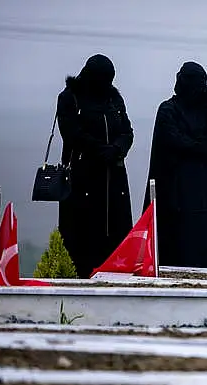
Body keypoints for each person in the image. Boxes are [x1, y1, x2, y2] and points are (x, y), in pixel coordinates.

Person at [143, 61, 207, 269]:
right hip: (179, 191)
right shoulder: (168, 109)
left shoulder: (206, 107)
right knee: (181, 246)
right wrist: (200, 149)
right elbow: (172, 139)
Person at [56, 54, 134, 278]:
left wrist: (118, 148)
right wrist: (101, 150)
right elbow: (71, 133)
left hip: (113, 178)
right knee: (83, 235)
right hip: (83, 178)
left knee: (115, 234)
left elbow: (127, 131)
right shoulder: (70, 98)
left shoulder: (113, 98)